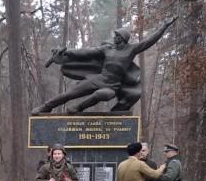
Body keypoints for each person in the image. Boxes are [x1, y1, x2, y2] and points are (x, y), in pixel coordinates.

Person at [34, 18, 175, 114]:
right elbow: (86, 52)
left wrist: (164, 27)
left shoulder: (131, 49)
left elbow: (149, 41)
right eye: (115, 35)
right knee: (69, 94)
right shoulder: (107, 49)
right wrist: (67, 51)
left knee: (101, 94)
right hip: (98, 79)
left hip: (112, 86)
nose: (114, 37)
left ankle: (78, 108)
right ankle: (45, 107)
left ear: (123, 38)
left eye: (117, 35)